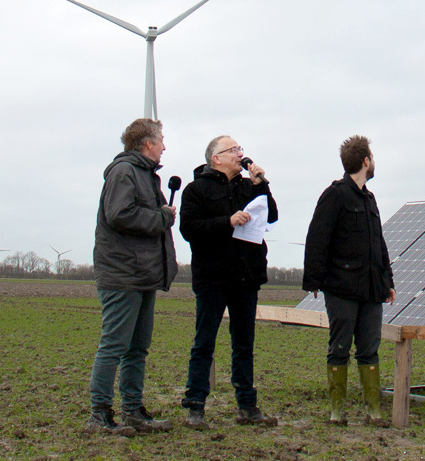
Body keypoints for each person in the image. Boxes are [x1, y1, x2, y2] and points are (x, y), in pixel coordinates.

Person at [178, 136, 280, 428]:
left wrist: (263, 184)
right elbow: (189, 228)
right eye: (233, 150)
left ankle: (247, 405)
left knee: (244, 344)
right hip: (212, 277)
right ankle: (195, 405)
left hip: (246, 276)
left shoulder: (249, 187)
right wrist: (228, 221)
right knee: (204, 343)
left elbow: (271, 216)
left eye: (240, 149)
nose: (240, 154)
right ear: (216, 158)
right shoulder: (196, 189)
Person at [87, 118, 179, 436]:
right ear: (146, 143)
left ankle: (133, 410)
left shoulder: (145, 175)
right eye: (161, 140)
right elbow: (120, 214)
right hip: (123, 274)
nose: (165, 146)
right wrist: (162, 217)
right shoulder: (124, 172)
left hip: (143, 275)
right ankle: (99, 414)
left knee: (137, 348)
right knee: (114, 345)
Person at [302, 135, 394, 426]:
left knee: (369, 349)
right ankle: (336, 412)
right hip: (341, 287)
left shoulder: (369, 198)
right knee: (339, 348)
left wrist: (387, 281)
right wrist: (313, 280)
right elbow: (317, 238)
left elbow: (379, 244)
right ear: (366, 161)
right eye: (373, 157)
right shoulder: (335, 194)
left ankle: (374, 412)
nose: (374, 162)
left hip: (371, 289)